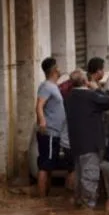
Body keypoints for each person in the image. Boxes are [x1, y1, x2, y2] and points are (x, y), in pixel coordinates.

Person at [64, 68, 109, 209]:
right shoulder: (90, 96)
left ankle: (80, 203)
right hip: (91, 145)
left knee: (80, 177)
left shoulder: (69, 98)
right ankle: (88, 208)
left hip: (76, 144)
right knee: (90, 177)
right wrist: (97, 89)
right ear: (85, 81)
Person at [36, 57, 72, 198]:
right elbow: (39, 105)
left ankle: (46, 198)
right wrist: (42, 121)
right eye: (57, 66)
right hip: (49, 132)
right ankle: (41, 201)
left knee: (49, 166)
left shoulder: (53, 86)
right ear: (54, 70)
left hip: (56, 133)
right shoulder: (46, 86)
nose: (59, 68)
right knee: (45, 166)